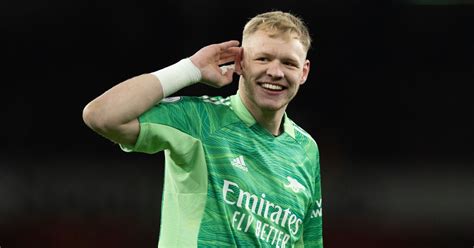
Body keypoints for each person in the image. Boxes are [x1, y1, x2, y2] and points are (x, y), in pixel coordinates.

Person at [83, 10, 323, 248]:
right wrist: (190, 68)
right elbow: (102, 115)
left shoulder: (306, 149)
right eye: (262, 58)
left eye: (289, 63)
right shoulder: (200, 121)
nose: (275, 72)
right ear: (240, 62)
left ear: (303, 72)